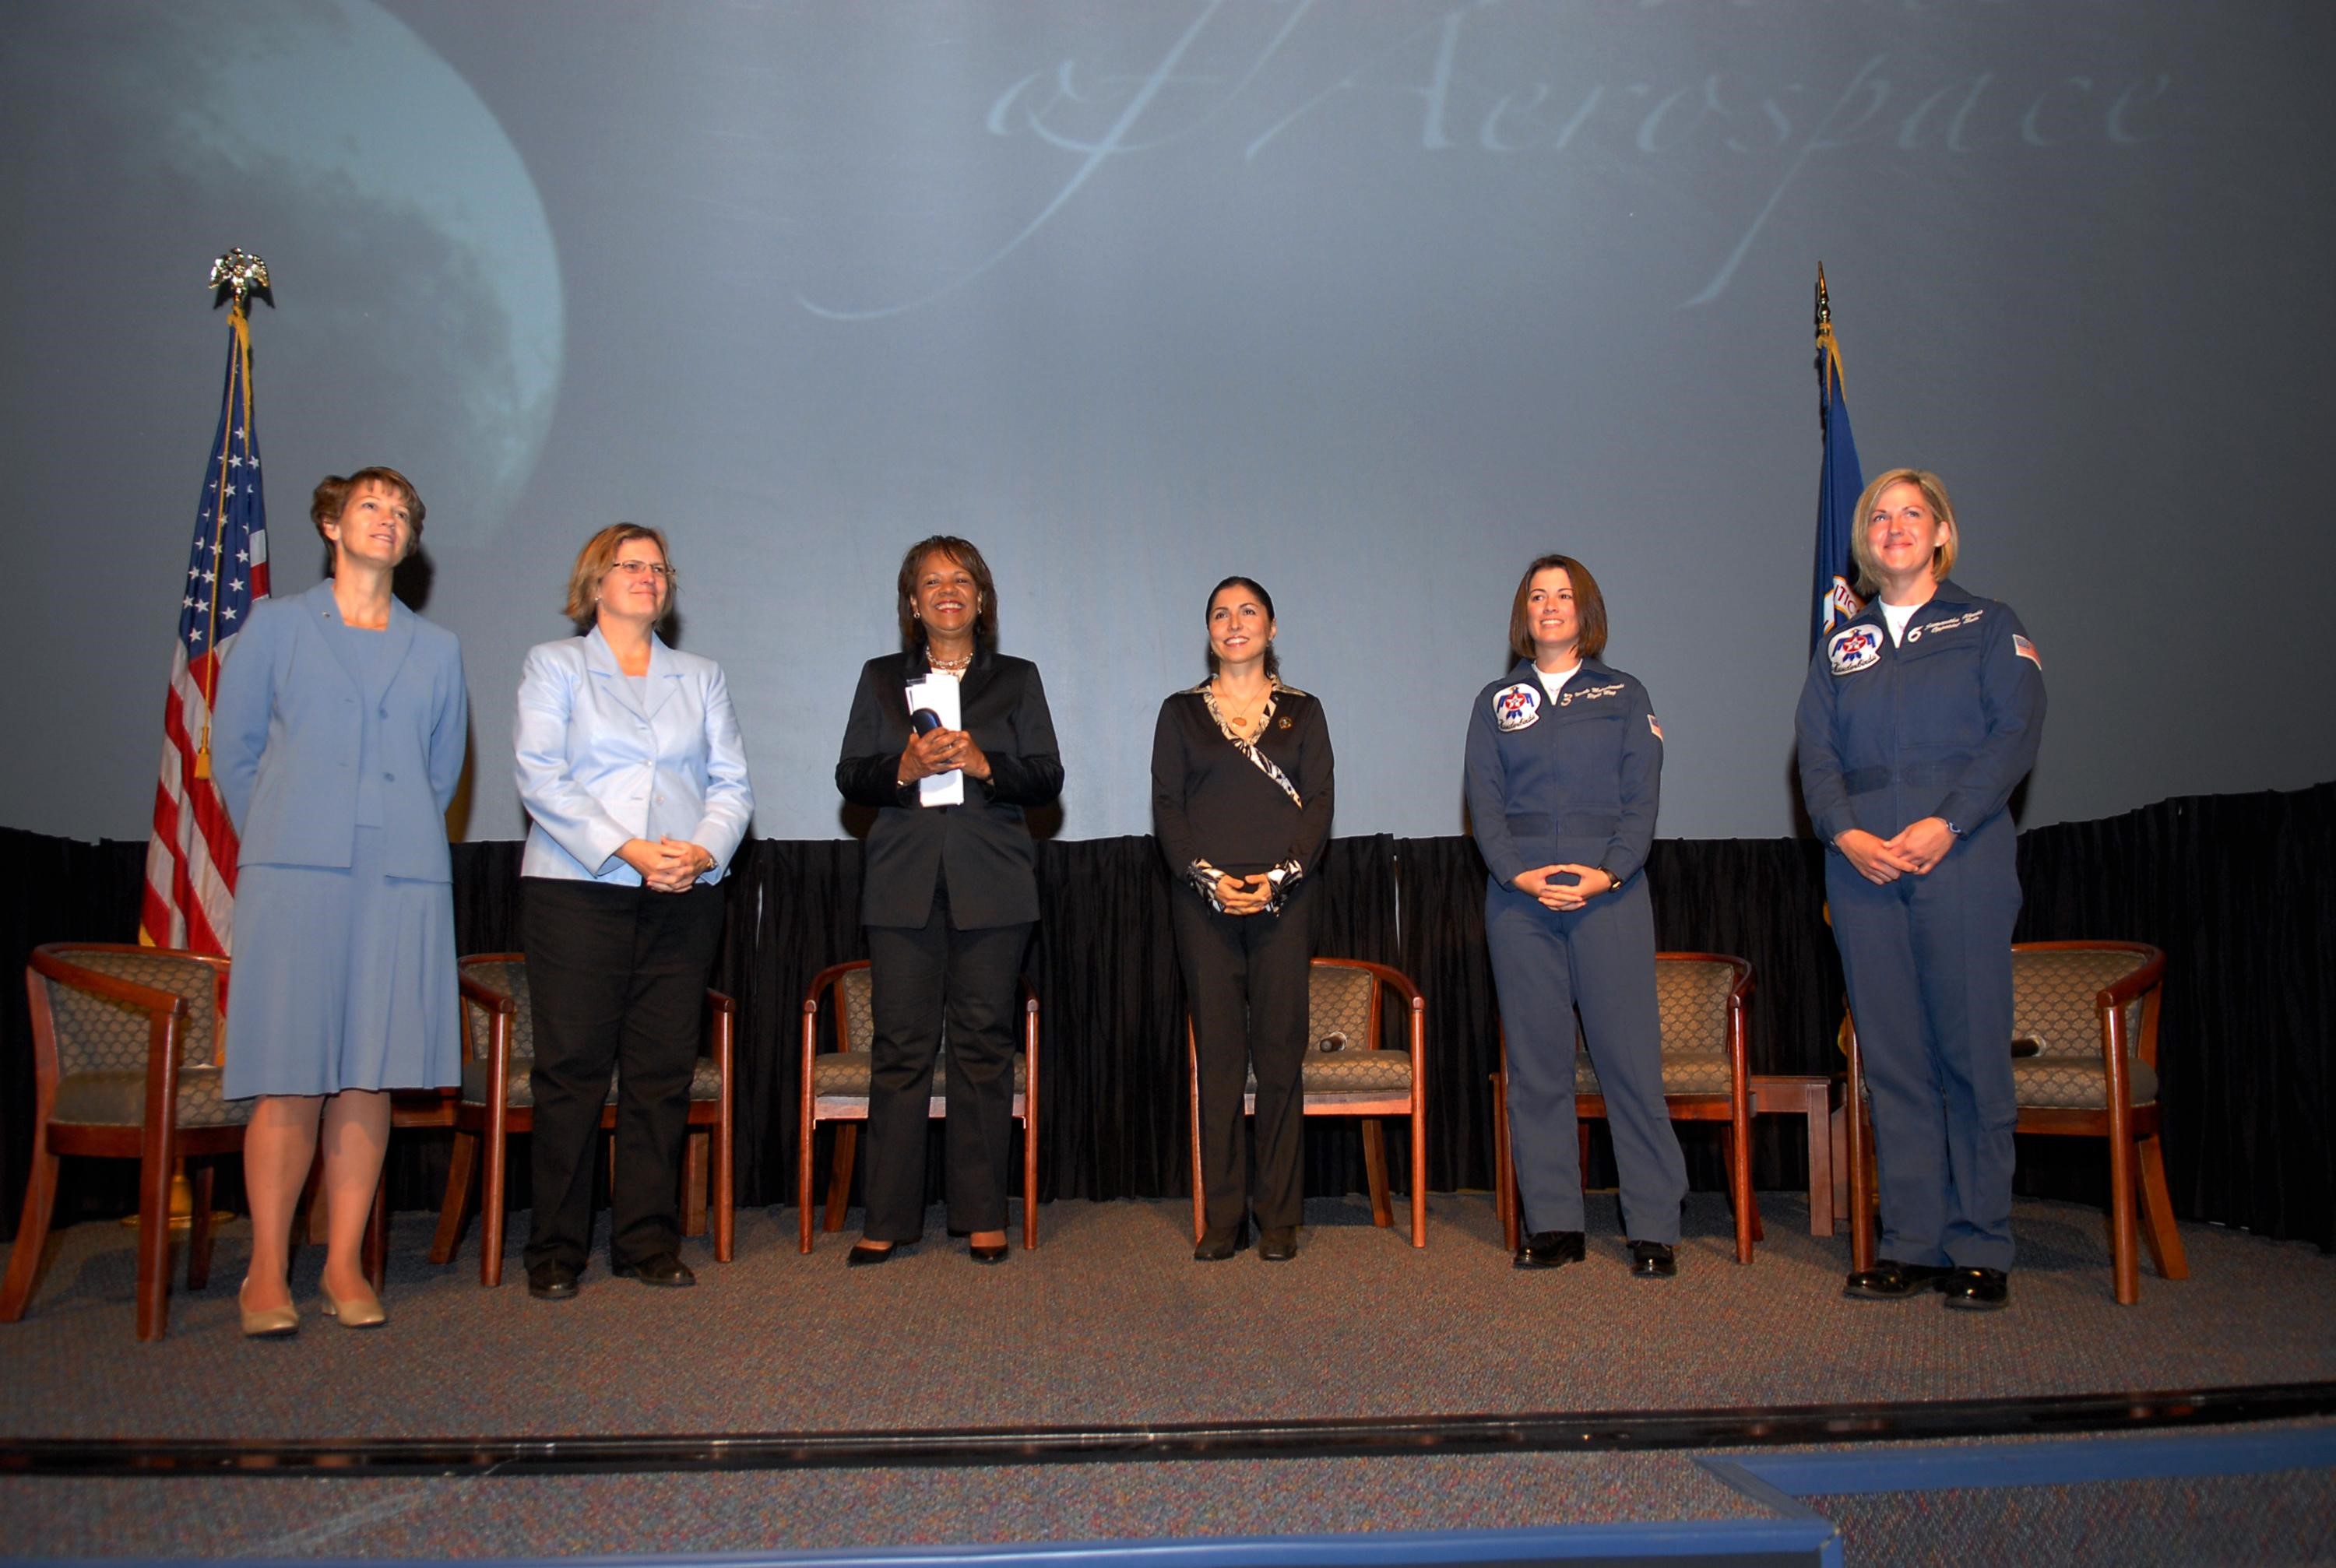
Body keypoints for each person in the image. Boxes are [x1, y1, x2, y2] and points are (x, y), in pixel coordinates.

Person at [212, 466, 468, 1337]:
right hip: (294, 875)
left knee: (369, 1071)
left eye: (401, 511)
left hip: (399, 880)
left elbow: (440, 775)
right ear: (332, 523)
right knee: (290, 1072)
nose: (386, 519)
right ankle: (265, 1270)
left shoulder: (438, 649)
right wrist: (289, 834)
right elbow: (237, 753)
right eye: (370, 505)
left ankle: (344, 1262)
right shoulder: (277, 627)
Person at [1796, 469, 2044, 1311]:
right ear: (1865, 540)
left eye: (1912, 513)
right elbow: (1815, 756)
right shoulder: (1842, 646)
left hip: (1960, 860)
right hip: (1862, 870)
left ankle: (1980, 1245)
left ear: (1941, 532)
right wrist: (1845, 833)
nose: (1894, 526)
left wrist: (1950, 823)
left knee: (1970, 1056)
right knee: (1894, 1062)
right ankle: (1911, 1241)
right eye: (1880, 516)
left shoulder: (1988, 625)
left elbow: (2014, 734)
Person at [512, 525, 752, 1301]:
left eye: (659, 567)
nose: (649, 576)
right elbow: (541, 776)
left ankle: (647, 1241)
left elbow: (732, 785)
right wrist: (629, 849)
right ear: (595, 583)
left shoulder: (702, 676)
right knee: (573, 1072)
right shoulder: (554, 665)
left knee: (660, 1073)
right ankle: (556, 1248)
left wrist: (703, 852)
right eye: (631, 565)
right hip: (577, 891)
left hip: (683, 896)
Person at [835, 537, 1062, 1265]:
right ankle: (887, 1217)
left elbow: (1047, 778)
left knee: (982, 1047)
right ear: (913, 602)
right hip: (901, 886)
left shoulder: (1017, 679)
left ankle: (982, 1213)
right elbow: (850, 775)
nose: (947, 591)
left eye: (961, 579)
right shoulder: (880, 678)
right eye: (931, 581)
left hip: (992, 886)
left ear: (981, 597)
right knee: (900, 1047)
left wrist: (985, 763)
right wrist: (902, 766)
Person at [1465, 554, 1687, 1278]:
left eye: (1563, 595)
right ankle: (1555, 1221)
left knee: (1629, 1064)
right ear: (1523, 614)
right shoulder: (1496, 702)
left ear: (1585, 609)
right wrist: (1515, 872)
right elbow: (1484, 802)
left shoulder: (1625, 695)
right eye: (1538, 596)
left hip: (1610, 898)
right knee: (1538, 1070)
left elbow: (1642, 798)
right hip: (1520, 902)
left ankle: (1653, 1226)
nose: (1550, 605)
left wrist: (1611, 870)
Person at [1152, 577, 1335, 1263]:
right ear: (1209, 631)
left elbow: (1320, 803)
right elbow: (1167, 807)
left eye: (1248, 611)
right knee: (1221, 1062)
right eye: (1221, 614)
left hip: (1285, 904)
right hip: (1204, 907)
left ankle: (1280, 1216)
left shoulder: (1304, 712)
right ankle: (1224, 1217)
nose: (1235, 623)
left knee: (1281, 1059)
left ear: (1272, 627)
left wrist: (1276, 880)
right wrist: (1210, 880)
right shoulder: (1179, 713)